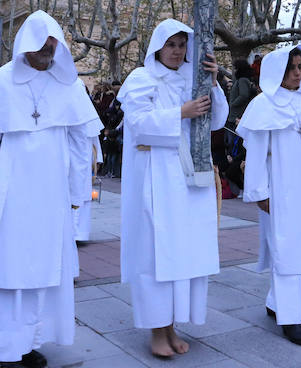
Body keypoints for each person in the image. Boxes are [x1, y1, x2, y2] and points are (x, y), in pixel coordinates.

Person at [0, 10, 102, 368]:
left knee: (44, 275)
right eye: (40, 43)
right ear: (24, 45)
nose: (46, 50)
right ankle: (5, 352)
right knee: (8, 274)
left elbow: (79, 146)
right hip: (9, 198)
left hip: (52, 198)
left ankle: (29, 344)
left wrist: (78, 195)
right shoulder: (0, 83)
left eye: (52, 43)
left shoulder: (70, 86)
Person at [117, 18, 229, 358]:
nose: (178, 51)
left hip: (187, 180)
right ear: (158, 47)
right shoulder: (142, 79)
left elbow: (219, 119)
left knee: (182, 251)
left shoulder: (192, 79)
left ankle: (172, 325)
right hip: (156, 177)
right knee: (155, 250)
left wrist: (213, 82)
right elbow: (137, 124)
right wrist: (180, 113)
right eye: (172, 45)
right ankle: (156, 330)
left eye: (183, 45)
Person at [238, 45, 301, 346]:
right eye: (291, 67)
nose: (297, 72)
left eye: (299, 67)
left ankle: (297, 306)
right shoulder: (263, 105)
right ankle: (290, 317)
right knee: (286, 250)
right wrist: (258, 191)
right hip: (281, 189)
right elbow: (255, 154)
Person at [226, 59, 257, 127]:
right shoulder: (243, 79)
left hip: (237, 116)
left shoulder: (243, 80)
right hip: (237, 115)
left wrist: (233, 104)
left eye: (235, 68)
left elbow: (243, 95)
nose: (234, 70)